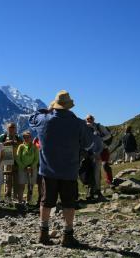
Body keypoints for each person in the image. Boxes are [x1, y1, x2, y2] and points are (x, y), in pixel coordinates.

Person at [29, 90, 93, 247]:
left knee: (45, 201)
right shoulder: (78, 123)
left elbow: (31, 119)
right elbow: (88, 144)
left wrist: (46, 110)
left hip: (47, 170)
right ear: (69, 106)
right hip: (69, 170)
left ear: (54, 106)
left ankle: (43, 233)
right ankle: (67, 235)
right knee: (68, 203)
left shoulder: (43, 120)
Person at [0, 122, 22, 202]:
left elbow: (23, 145)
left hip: (17, 160)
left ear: (15, 129)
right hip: (7, 158)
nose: (11, 129)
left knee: (16, 179)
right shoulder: (3, 136)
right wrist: (6, 143)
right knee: (8, 179)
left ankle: (15, 197)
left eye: (13, 128)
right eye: (10, 128)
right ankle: (7, 197)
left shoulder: (18, 137)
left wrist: (17, 143)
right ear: (7, 129)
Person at [86, 114, 113, 185]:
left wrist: (100, 139)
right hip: (93, 151)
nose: (88, 120)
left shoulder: (99, 126)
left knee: (105, 165)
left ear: (93, 119)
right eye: (87, 119)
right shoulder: (85, 128)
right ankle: (94, 184)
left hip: (103, 148)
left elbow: (109, 135)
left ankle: (110, 181)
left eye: (90, 118)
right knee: (94, 168)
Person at [15, 131, 39, 204]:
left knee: (31, 185)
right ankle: (20, 201)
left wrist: (31, 167)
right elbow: (17, 158)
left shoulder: (34, 147)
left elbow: (36, 159)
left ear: (31, 138)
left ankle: (29, 201)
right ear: (23, 138)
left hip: (32, 169)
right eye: (25, 137)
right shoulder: (21, 146)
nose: (27, 138)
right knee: (21, 185)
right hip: (22, 168)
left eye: (28, 137)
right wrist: (24, 167)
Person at [85, 121, 104, 201]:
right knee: (88, 175)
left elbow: (100, 147)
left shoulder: (97, 137)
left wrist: (95, 154)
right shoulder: (84, 137)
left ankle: (97, 191)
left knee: (96, 175)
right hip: (87, 159)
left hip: (96, 158)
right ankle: (91, 192)